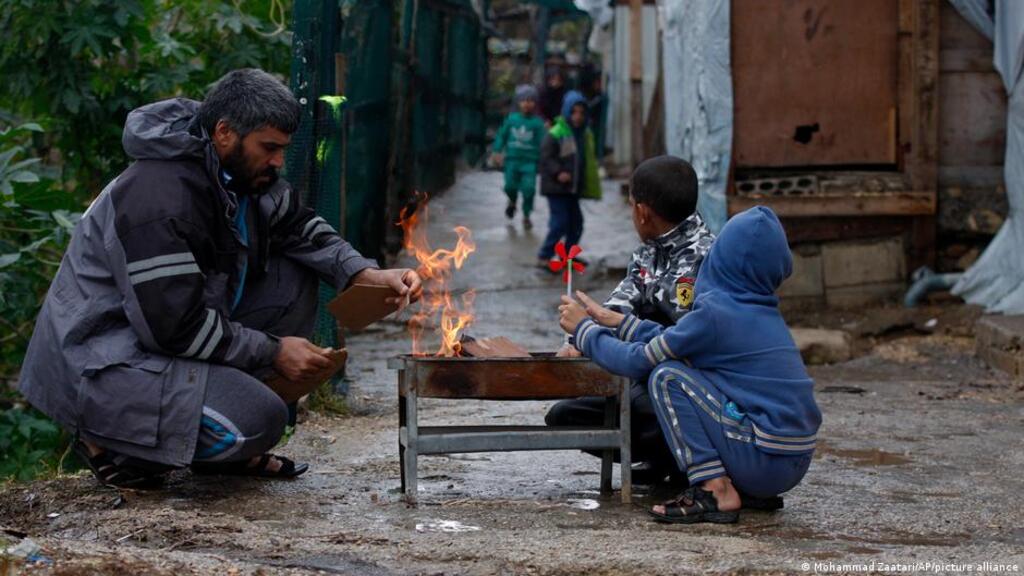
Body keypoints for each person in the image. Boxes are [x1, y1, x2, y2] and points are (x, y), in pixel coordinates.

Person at [17, 69, 422, 489]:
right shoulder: (159, 199)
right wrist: (273, 351)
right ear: (225, 132)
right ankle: (111, 441)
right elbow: (176, 329)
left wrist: (366, 273)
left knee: (299, 268)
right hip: (102, 358)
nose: (279, 161)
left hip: (162, 337)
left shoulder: (237, 171)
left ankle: (205, 429)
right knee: (258, 418)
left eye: (282, 149)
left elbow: (298, 226)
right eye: (269, 148)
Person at [559, 206, 821, 524]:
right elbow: (678, 338)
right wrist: (618, 322)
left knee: (667, 376)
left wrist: (583, 331)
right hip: (791, 460)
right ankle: (738, 485)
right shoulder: (757, 310)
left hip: (763, 461)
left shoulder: (715, 313)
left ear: (721, 258)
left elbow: (636, 361)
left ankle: (715, 489)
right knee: (683, 368)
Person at [546, 156, 715, 485]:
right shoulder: (650, 252)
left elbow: (685, 342)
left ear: (642, 211)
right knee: (564, 415)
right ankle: (663, 460)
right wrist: (576, 339)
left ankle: (688, 463)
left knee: (640, 400)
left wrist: (598, 338)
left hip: (689, 384)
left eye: (631, 205)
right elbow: (619, 305)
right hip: (646, 370)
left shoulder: (705, 257)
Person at [537, 90, 601, 269]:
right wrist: (558, 172)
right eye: (574, 112)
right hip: (557, 188)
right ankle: (544, 255)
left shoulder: (584, 134)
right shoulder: (557, 133)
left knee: (577, 224)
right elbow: (546, 158)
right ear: (566, 112)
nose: (578, 117)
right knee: (560, 223)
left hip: (573, 188)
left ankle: (567, 256)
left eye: (581, 112)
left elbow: (586, 160)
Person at [491, 84, 545, 229]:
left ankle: (526, 215)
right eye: (523, 100)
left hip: (530, 163)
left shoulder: (537, 123)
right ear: (518, 102)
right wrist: (496, 151)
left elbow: (543, 143)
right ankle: (512, 201)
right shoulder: (511, 120)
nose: (527, 104)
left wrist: (545, 158)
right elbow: (501, 136)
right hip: (512, 161)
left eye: (531, 100)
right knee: (509, 186)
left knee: (529, 189)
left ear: (535, 103)